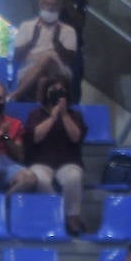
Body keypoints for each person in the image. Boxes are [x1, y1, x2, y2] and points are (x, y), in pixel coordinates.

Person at [24, 79, 87, 235]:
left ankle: (71, 218)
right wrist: (52, 117)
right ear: (46, 92)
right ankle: (55, 217)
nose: (58, 94)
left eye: (61, 90)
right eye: (54, 90)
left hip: (68, 161)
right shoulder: (36, 115)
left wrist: (64, 115)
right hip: (41, 162)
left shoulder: (75, 115)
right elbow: (35, 137)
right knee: (41, 179)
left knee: (74, 176)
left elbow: (76, 137)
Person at [10, 0, 77, 103]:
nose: (50, 7)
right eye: (47, 4)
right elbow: (16, 58)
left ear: (59, 7)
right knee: (42, 81)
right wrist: (32, 41)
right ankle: (38, 113)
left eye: (54, 4)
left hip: (58, 70)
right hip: (29, 70)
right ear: (41, 6)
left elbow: (69, 60)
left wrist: (56, 42)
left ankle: (17, 94)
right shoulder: (26, 26)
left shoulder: (68, 30)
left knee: (49, 56)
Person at [54, 0, 88, 102]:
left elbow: (79, 23)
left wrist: (67, 1)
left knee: (74, 86)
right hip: (53, 49)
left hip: (73, 50)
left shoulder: (81, 1)